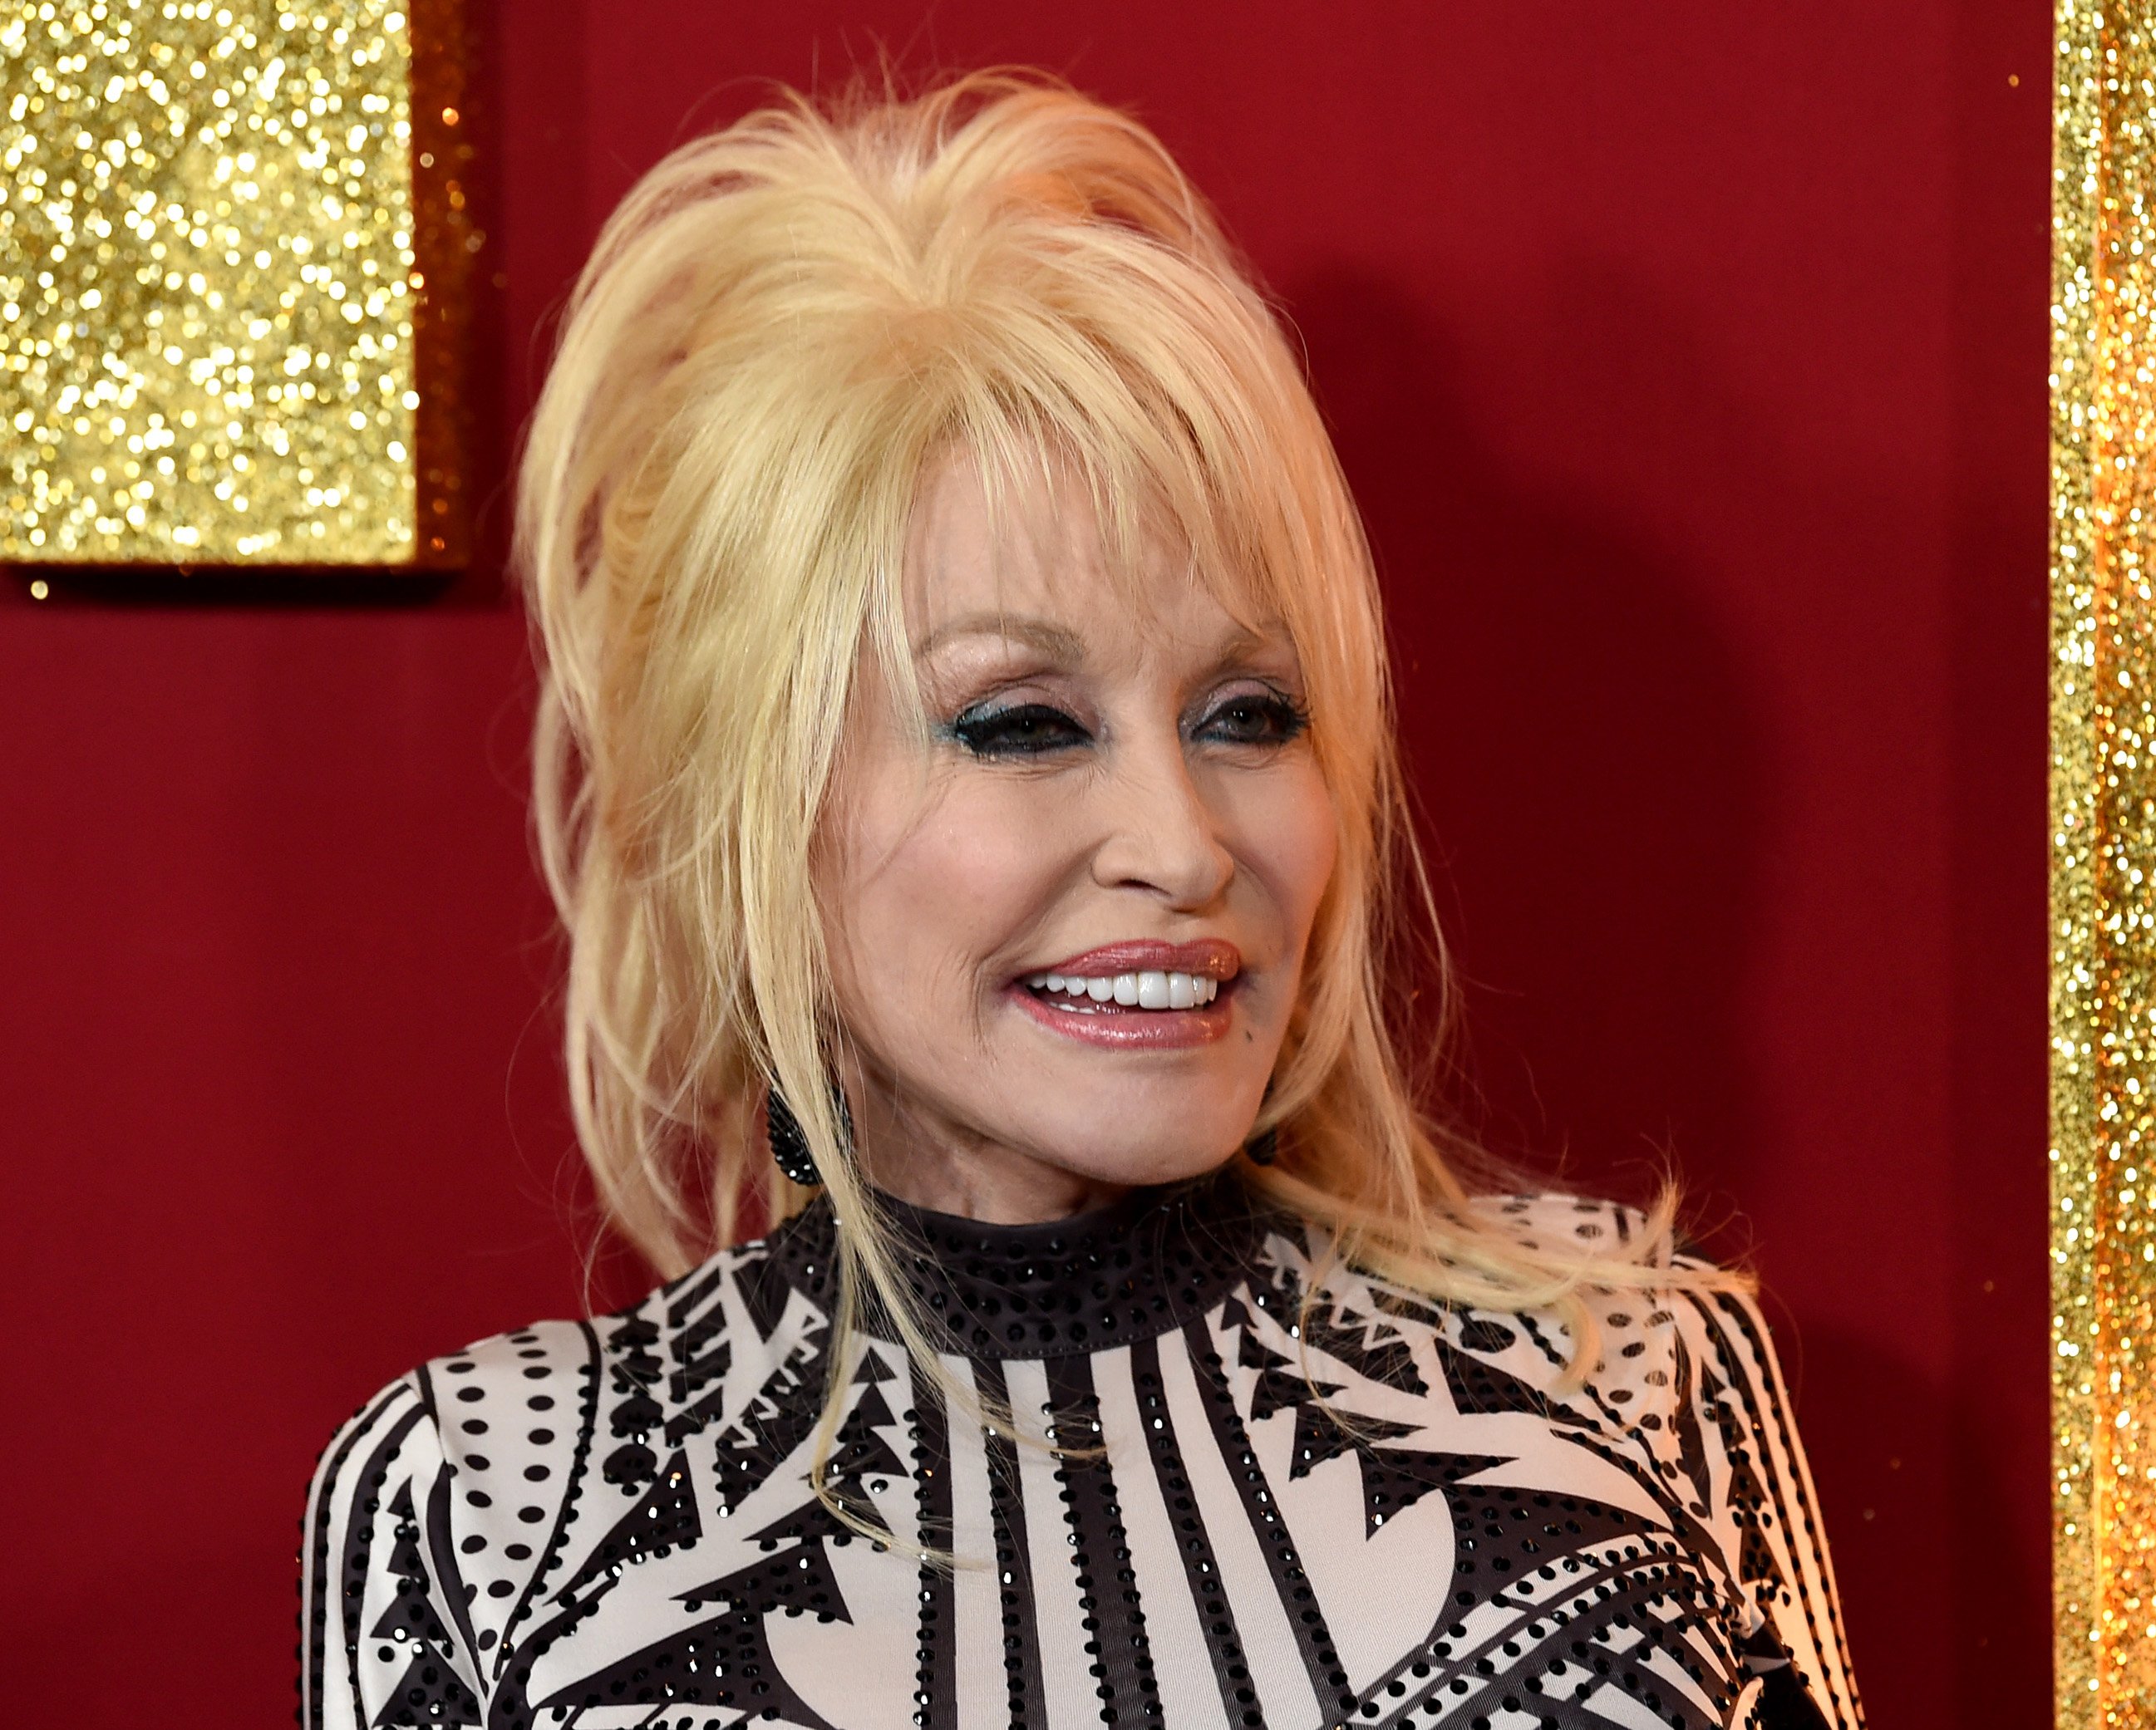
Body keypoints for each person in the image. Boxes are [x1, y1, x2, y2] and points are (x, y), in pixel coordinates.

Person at [301, 72, 1861, 1730]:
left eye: (1250, 714)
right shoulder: (485, 1512)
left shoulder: (1635, 1365)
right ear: (747, 810)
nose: (1184, 846)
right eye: (1022, 724)